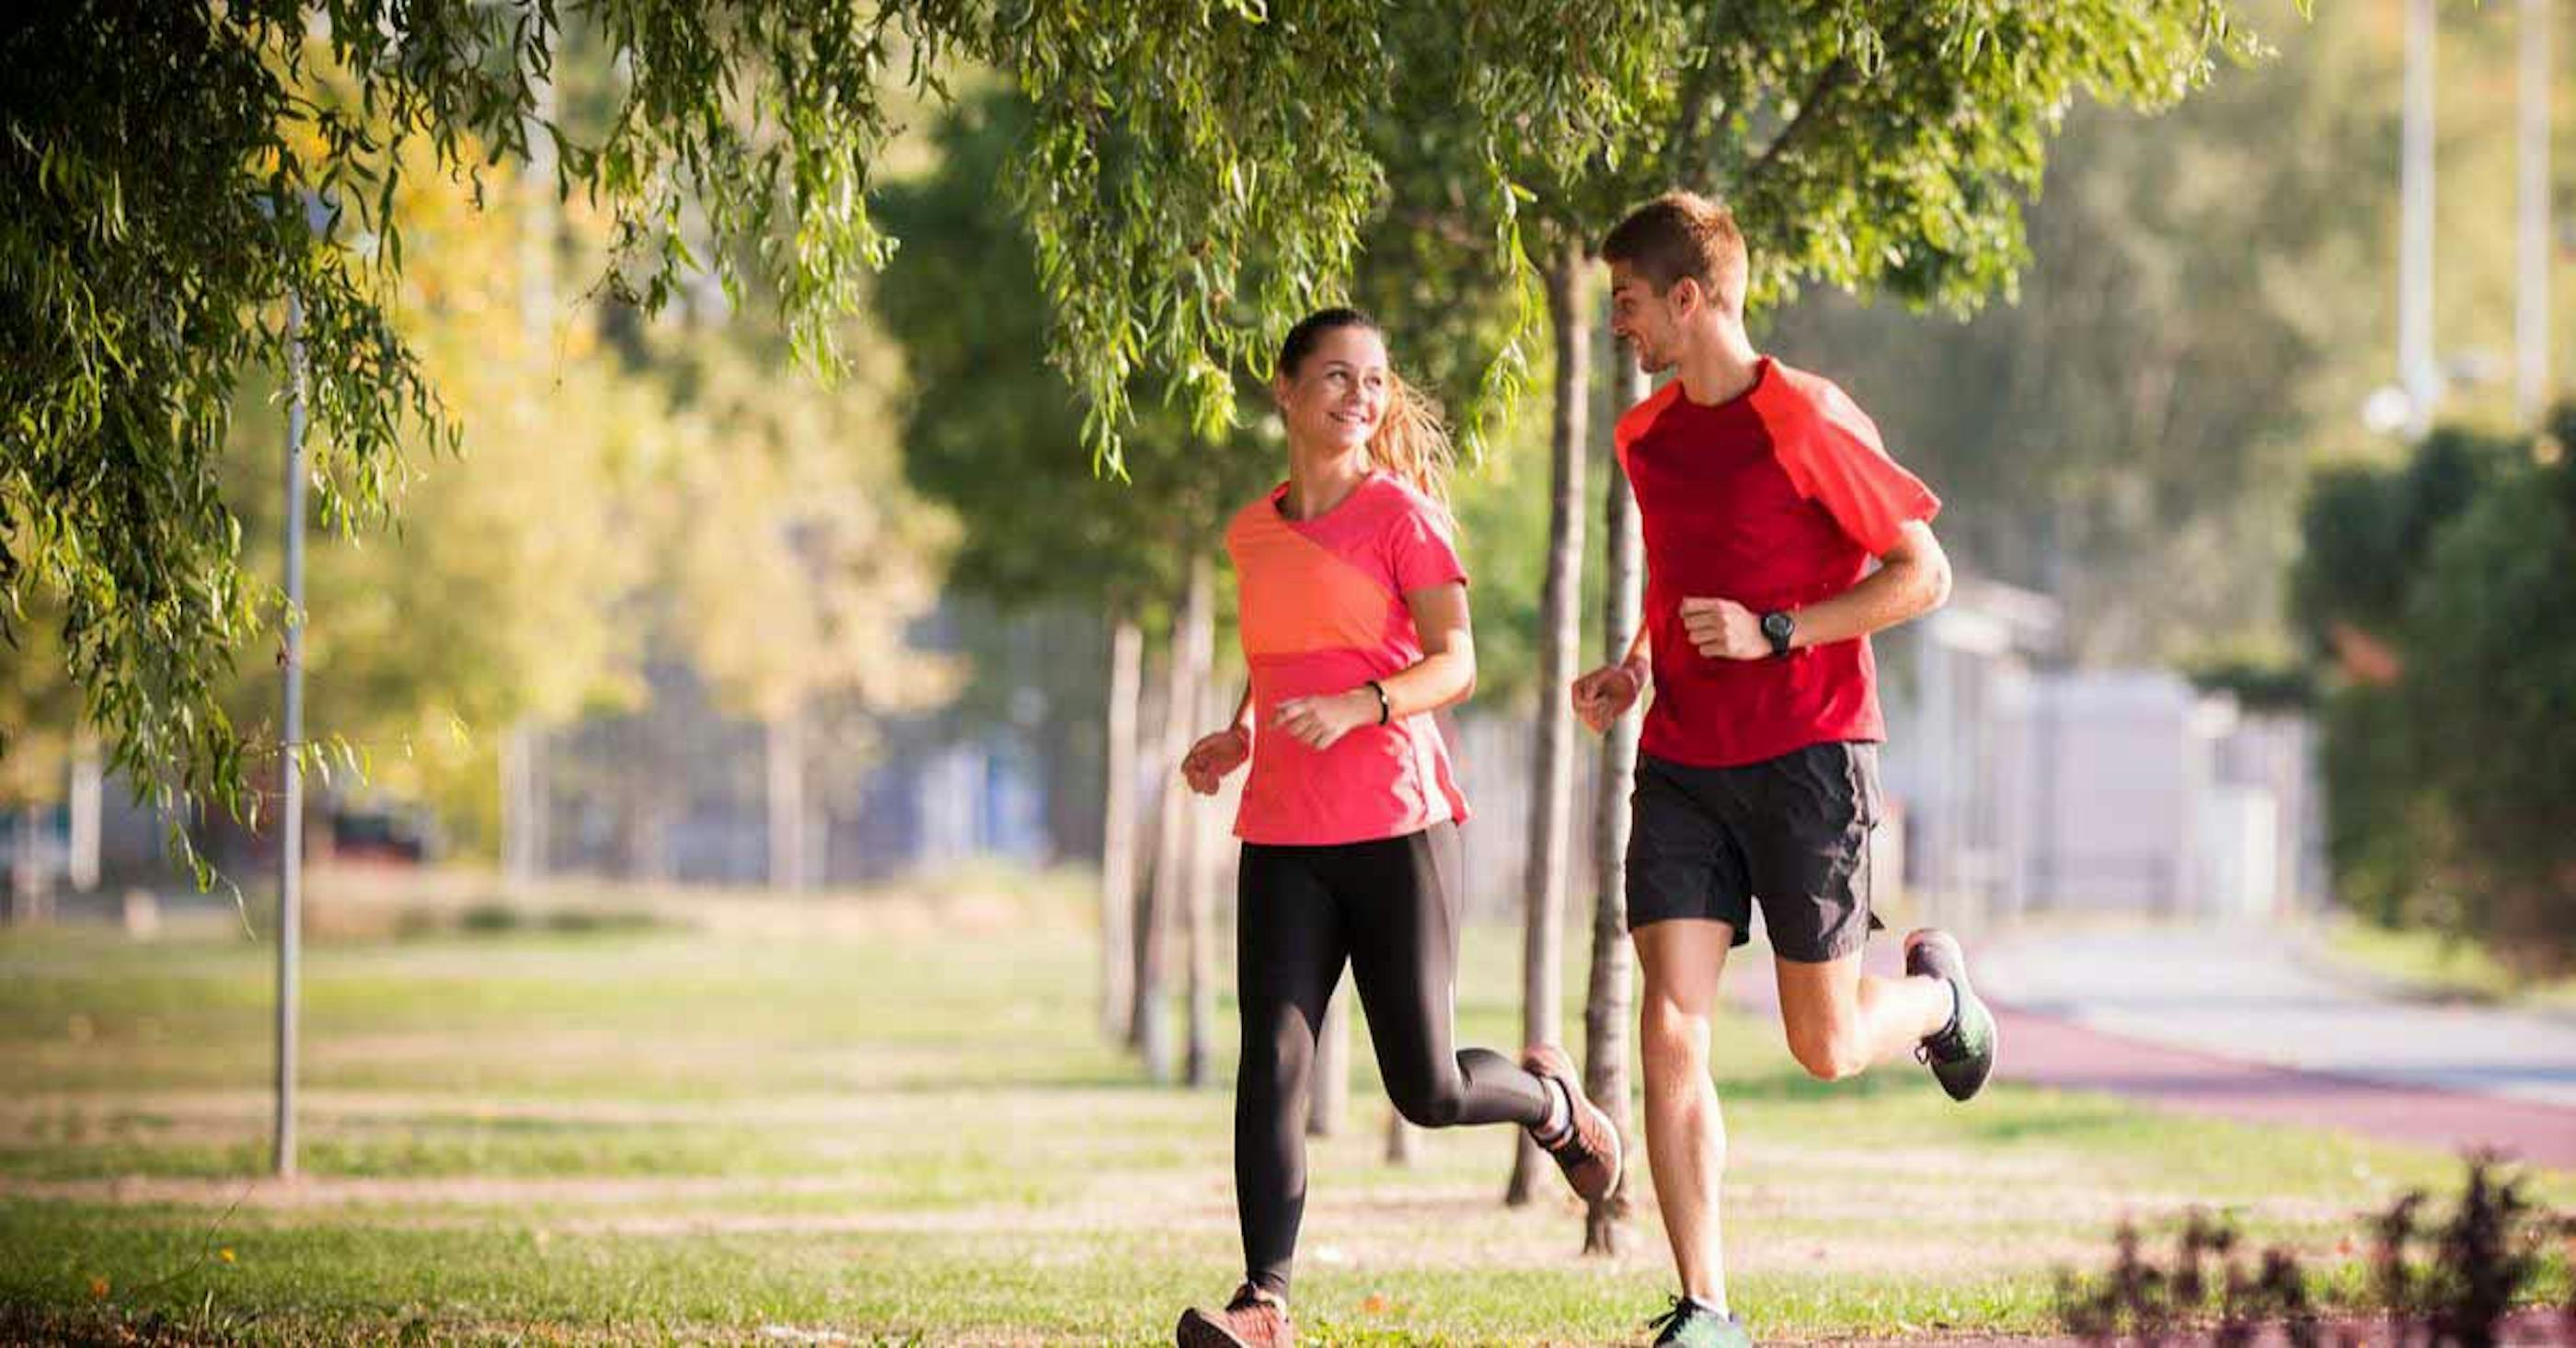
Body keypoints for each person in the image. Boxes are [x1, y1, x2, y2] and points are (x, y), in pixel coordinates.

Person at [1569, 193, 2000, 1348]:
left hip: (1811, 755)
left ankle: (1940, 1000)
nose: (1620, 325)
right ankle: (1706, 1309)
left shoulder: (1805, 417)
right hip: (1682, 764)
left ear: (1689, 298)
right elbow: (1675, 580)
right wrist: (1630, 669)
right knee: (1670, 1024)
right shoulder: (1643, 438)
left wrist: (1780, 630)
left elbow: (1924, 574)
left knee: (1824, 1045)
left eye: (1627, 302)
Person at [1173, 307, 1622, 1348]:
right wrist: (1240, 732)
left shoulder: (1402, 515)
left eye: (1373, 380)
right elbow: (1284, 652)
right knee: (1271, 1059)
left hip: (1396, 822)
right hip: (1283, 828)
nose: (1358, 397)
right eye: (1335, 377)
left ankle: (1551, 1102)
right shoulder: (1252, 530)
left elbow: (1454, 663)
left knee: (1424, 1085)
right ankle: (1264, 1303)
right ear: (1283, 389)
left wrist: (1360, 707)